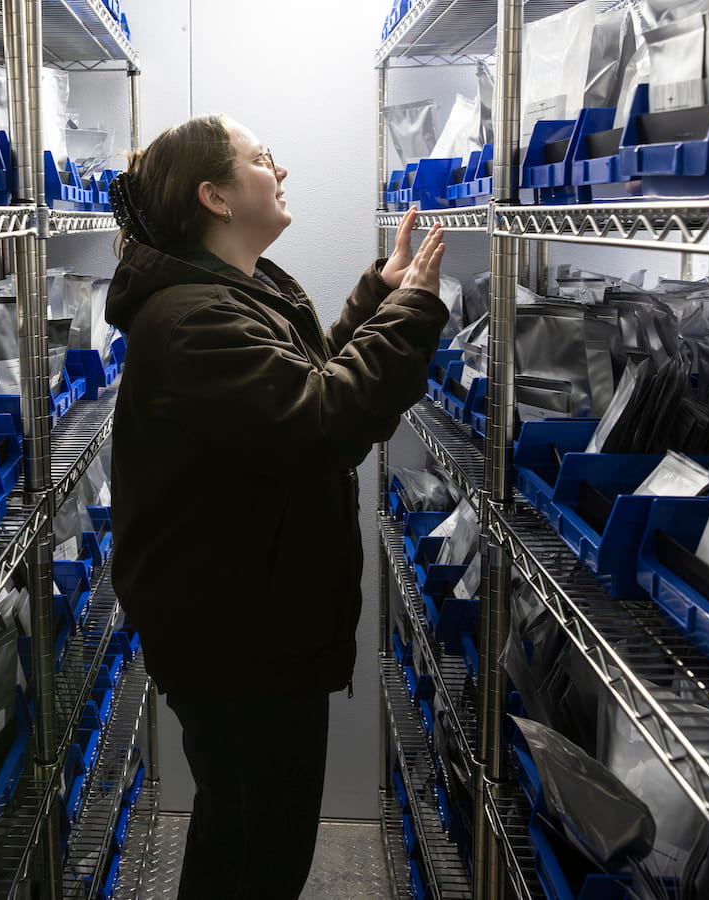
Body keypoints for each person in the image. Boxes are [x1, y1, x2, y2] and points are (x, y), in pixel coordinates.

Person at [103, 112, 449, 899]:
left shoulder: (234, 294)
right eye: (263, 160)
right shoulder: (196, 320)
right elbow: (319, 425)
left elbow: (300, 384)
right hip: (239, 641)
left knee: (250, 836)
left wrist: (380, 297)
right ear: (215, 197)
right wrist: (413, 316)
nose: (281, 171)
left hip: (248, 623)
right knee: (256, 855)